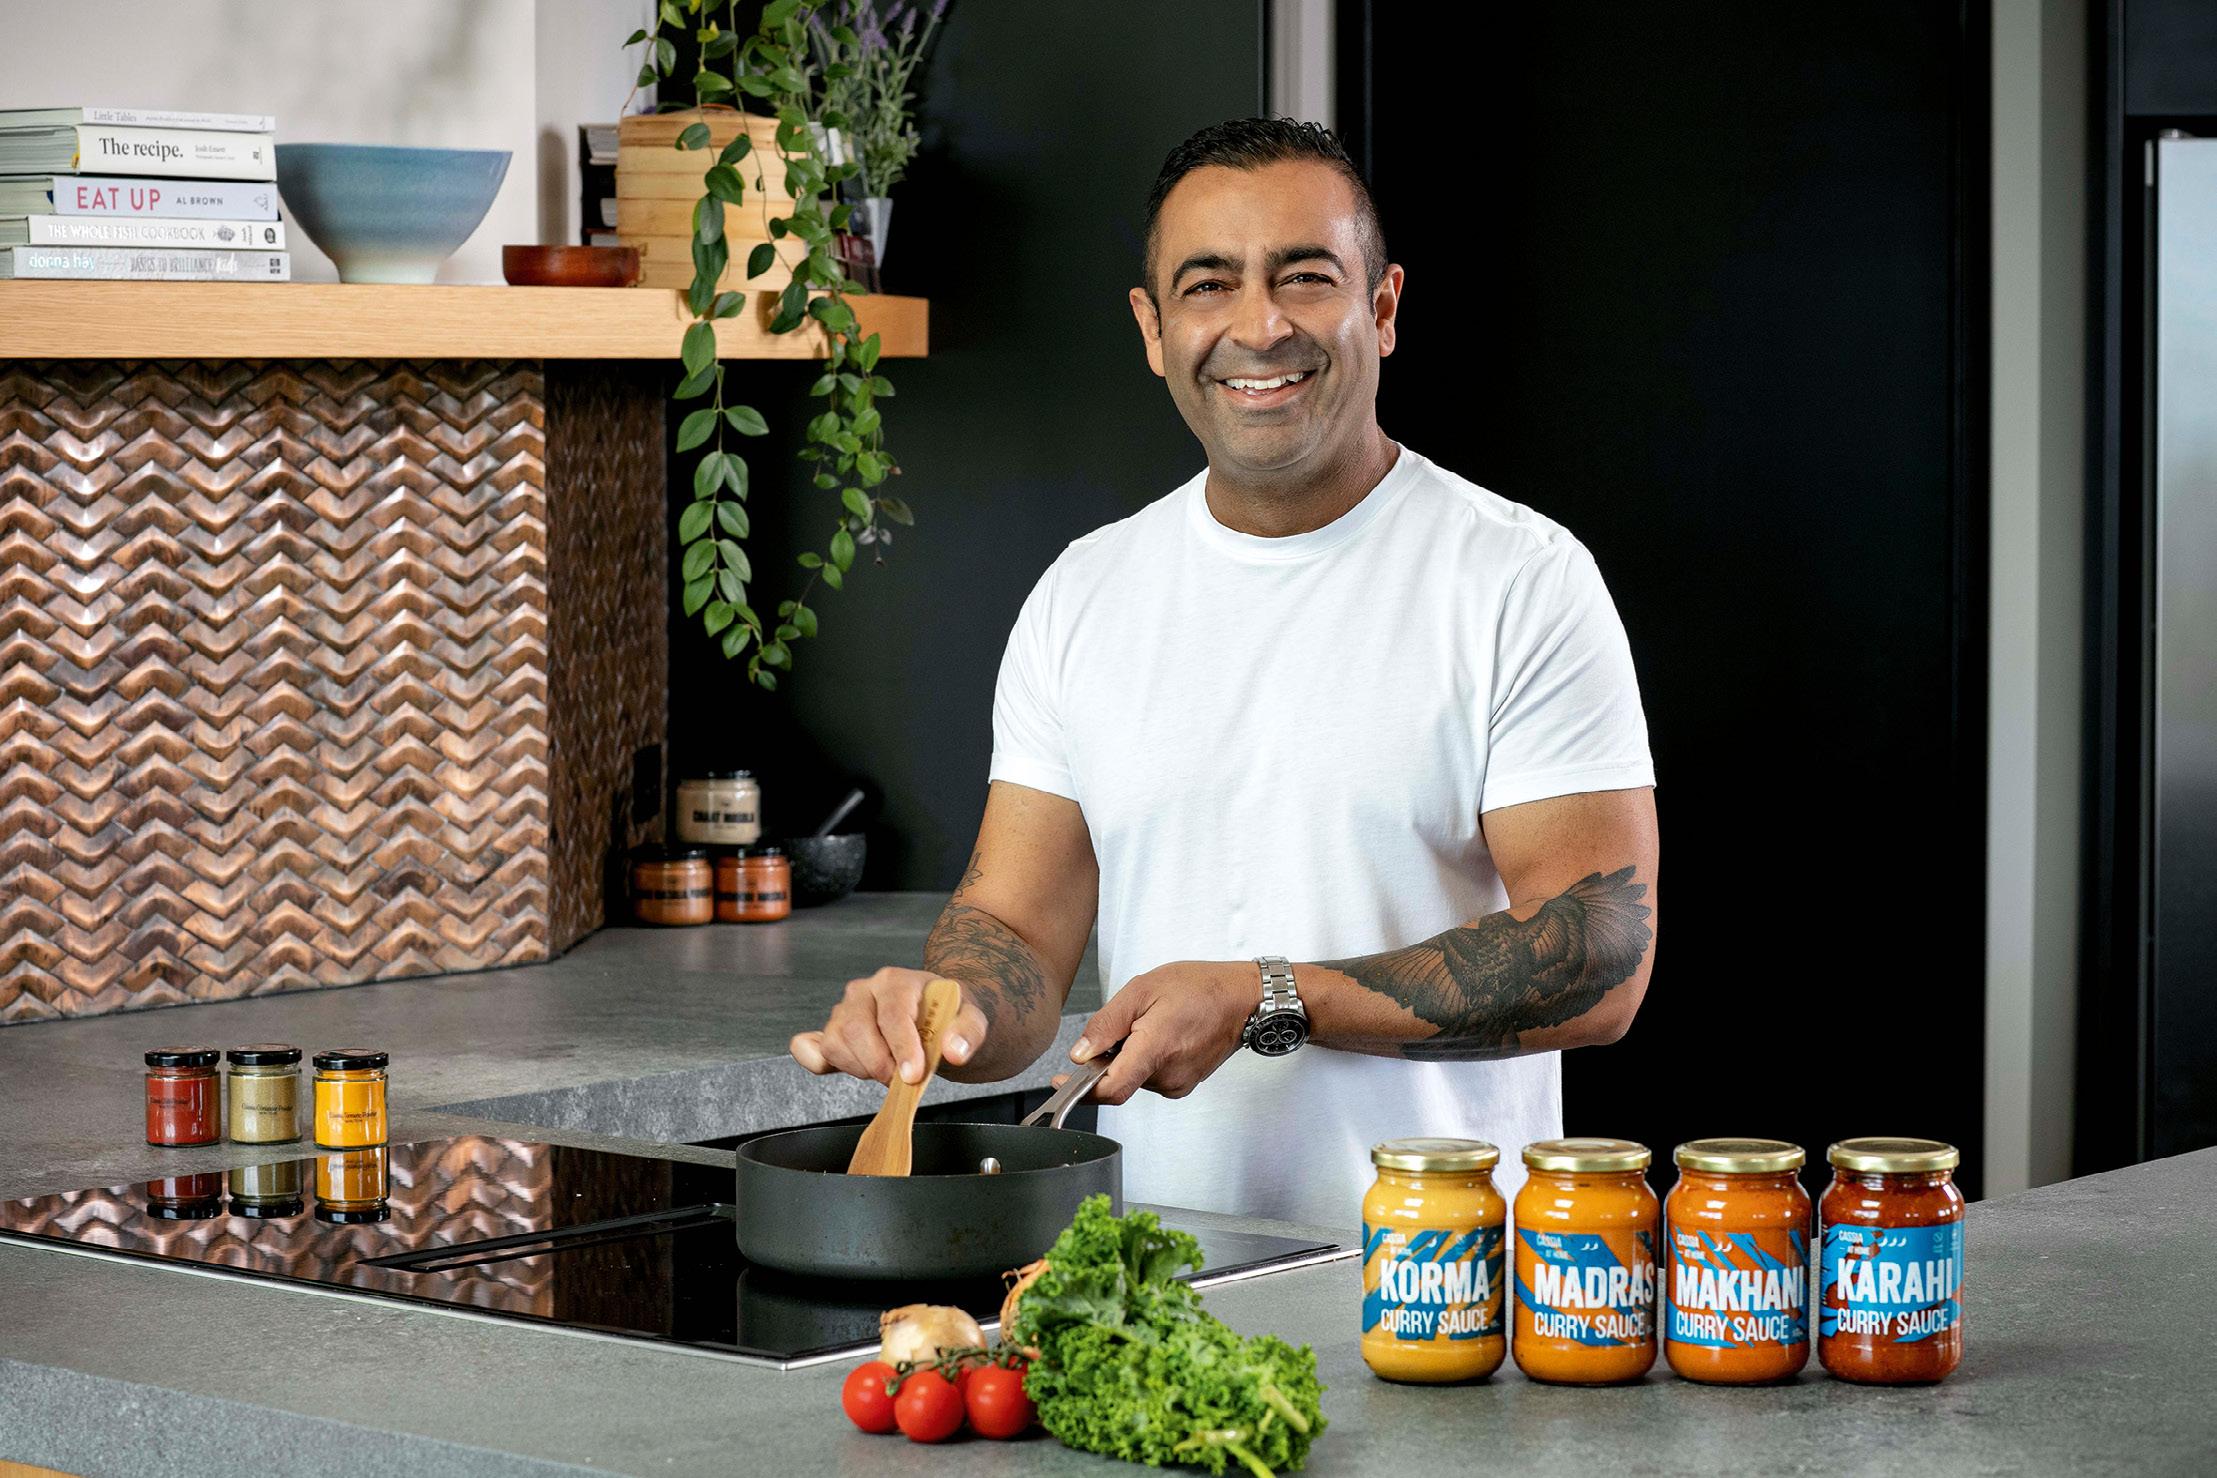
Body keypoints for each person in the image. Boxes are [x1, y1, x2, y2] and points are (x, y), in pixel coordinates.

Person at [790, 117, 1658, 1227]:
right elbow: (1016, 926)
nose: (1259, 325)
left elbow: (1600, 948)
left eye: (1305, 276)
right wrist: (942, 1012)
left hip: (1435, 1276)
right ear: (1154, 330)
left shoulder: (1517, 578)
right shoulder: (1084, 594)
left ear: (1383, 308)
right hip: (1153, 1271)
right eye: (1209, 285)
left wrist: (1268, 996)